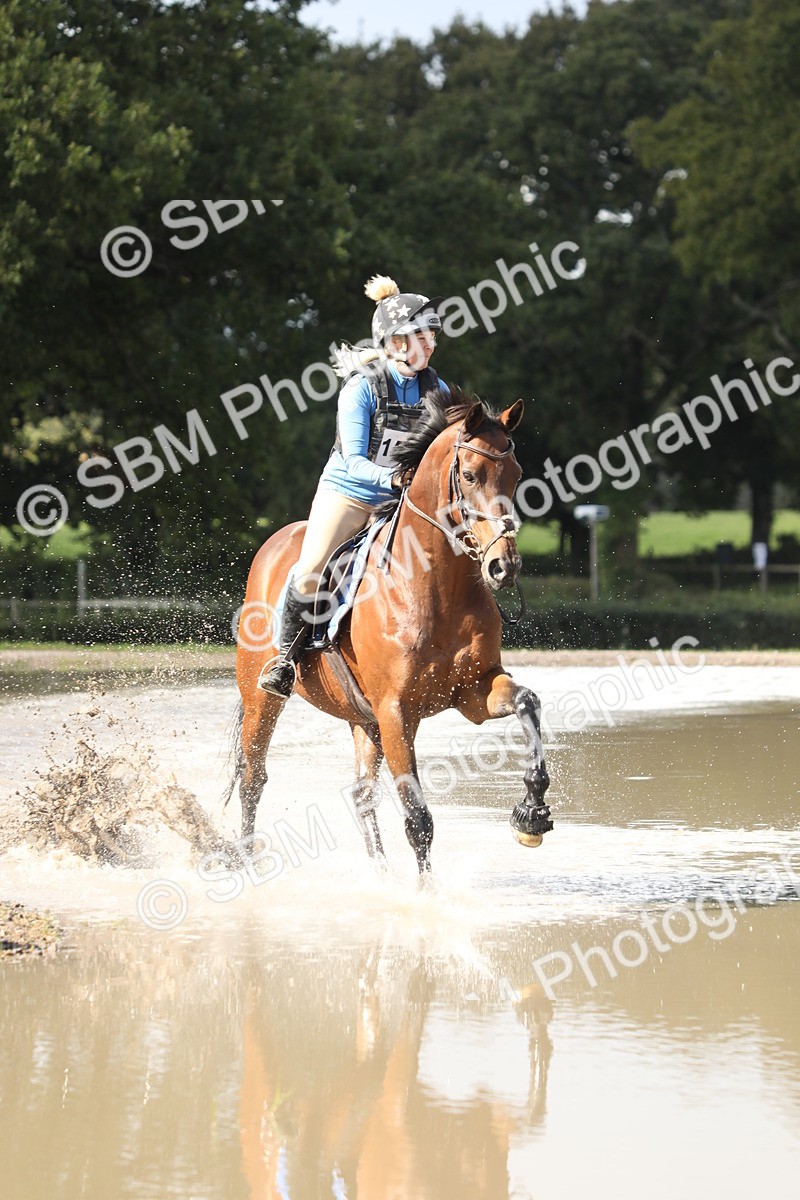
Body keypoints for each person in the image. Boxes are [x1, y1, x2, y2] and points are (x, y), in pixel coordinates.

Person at [258, 275, 446, 698]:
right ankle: (283, 659)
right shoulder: (361, 388)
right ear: (396, 342)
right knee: (309, 571)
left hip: (402, 502)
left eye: (432, 334)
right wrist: (394, 478)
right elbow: (353, 461)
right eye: (422, 335)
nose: (431, 343)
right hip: (350, 494)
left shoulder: (439, 390)